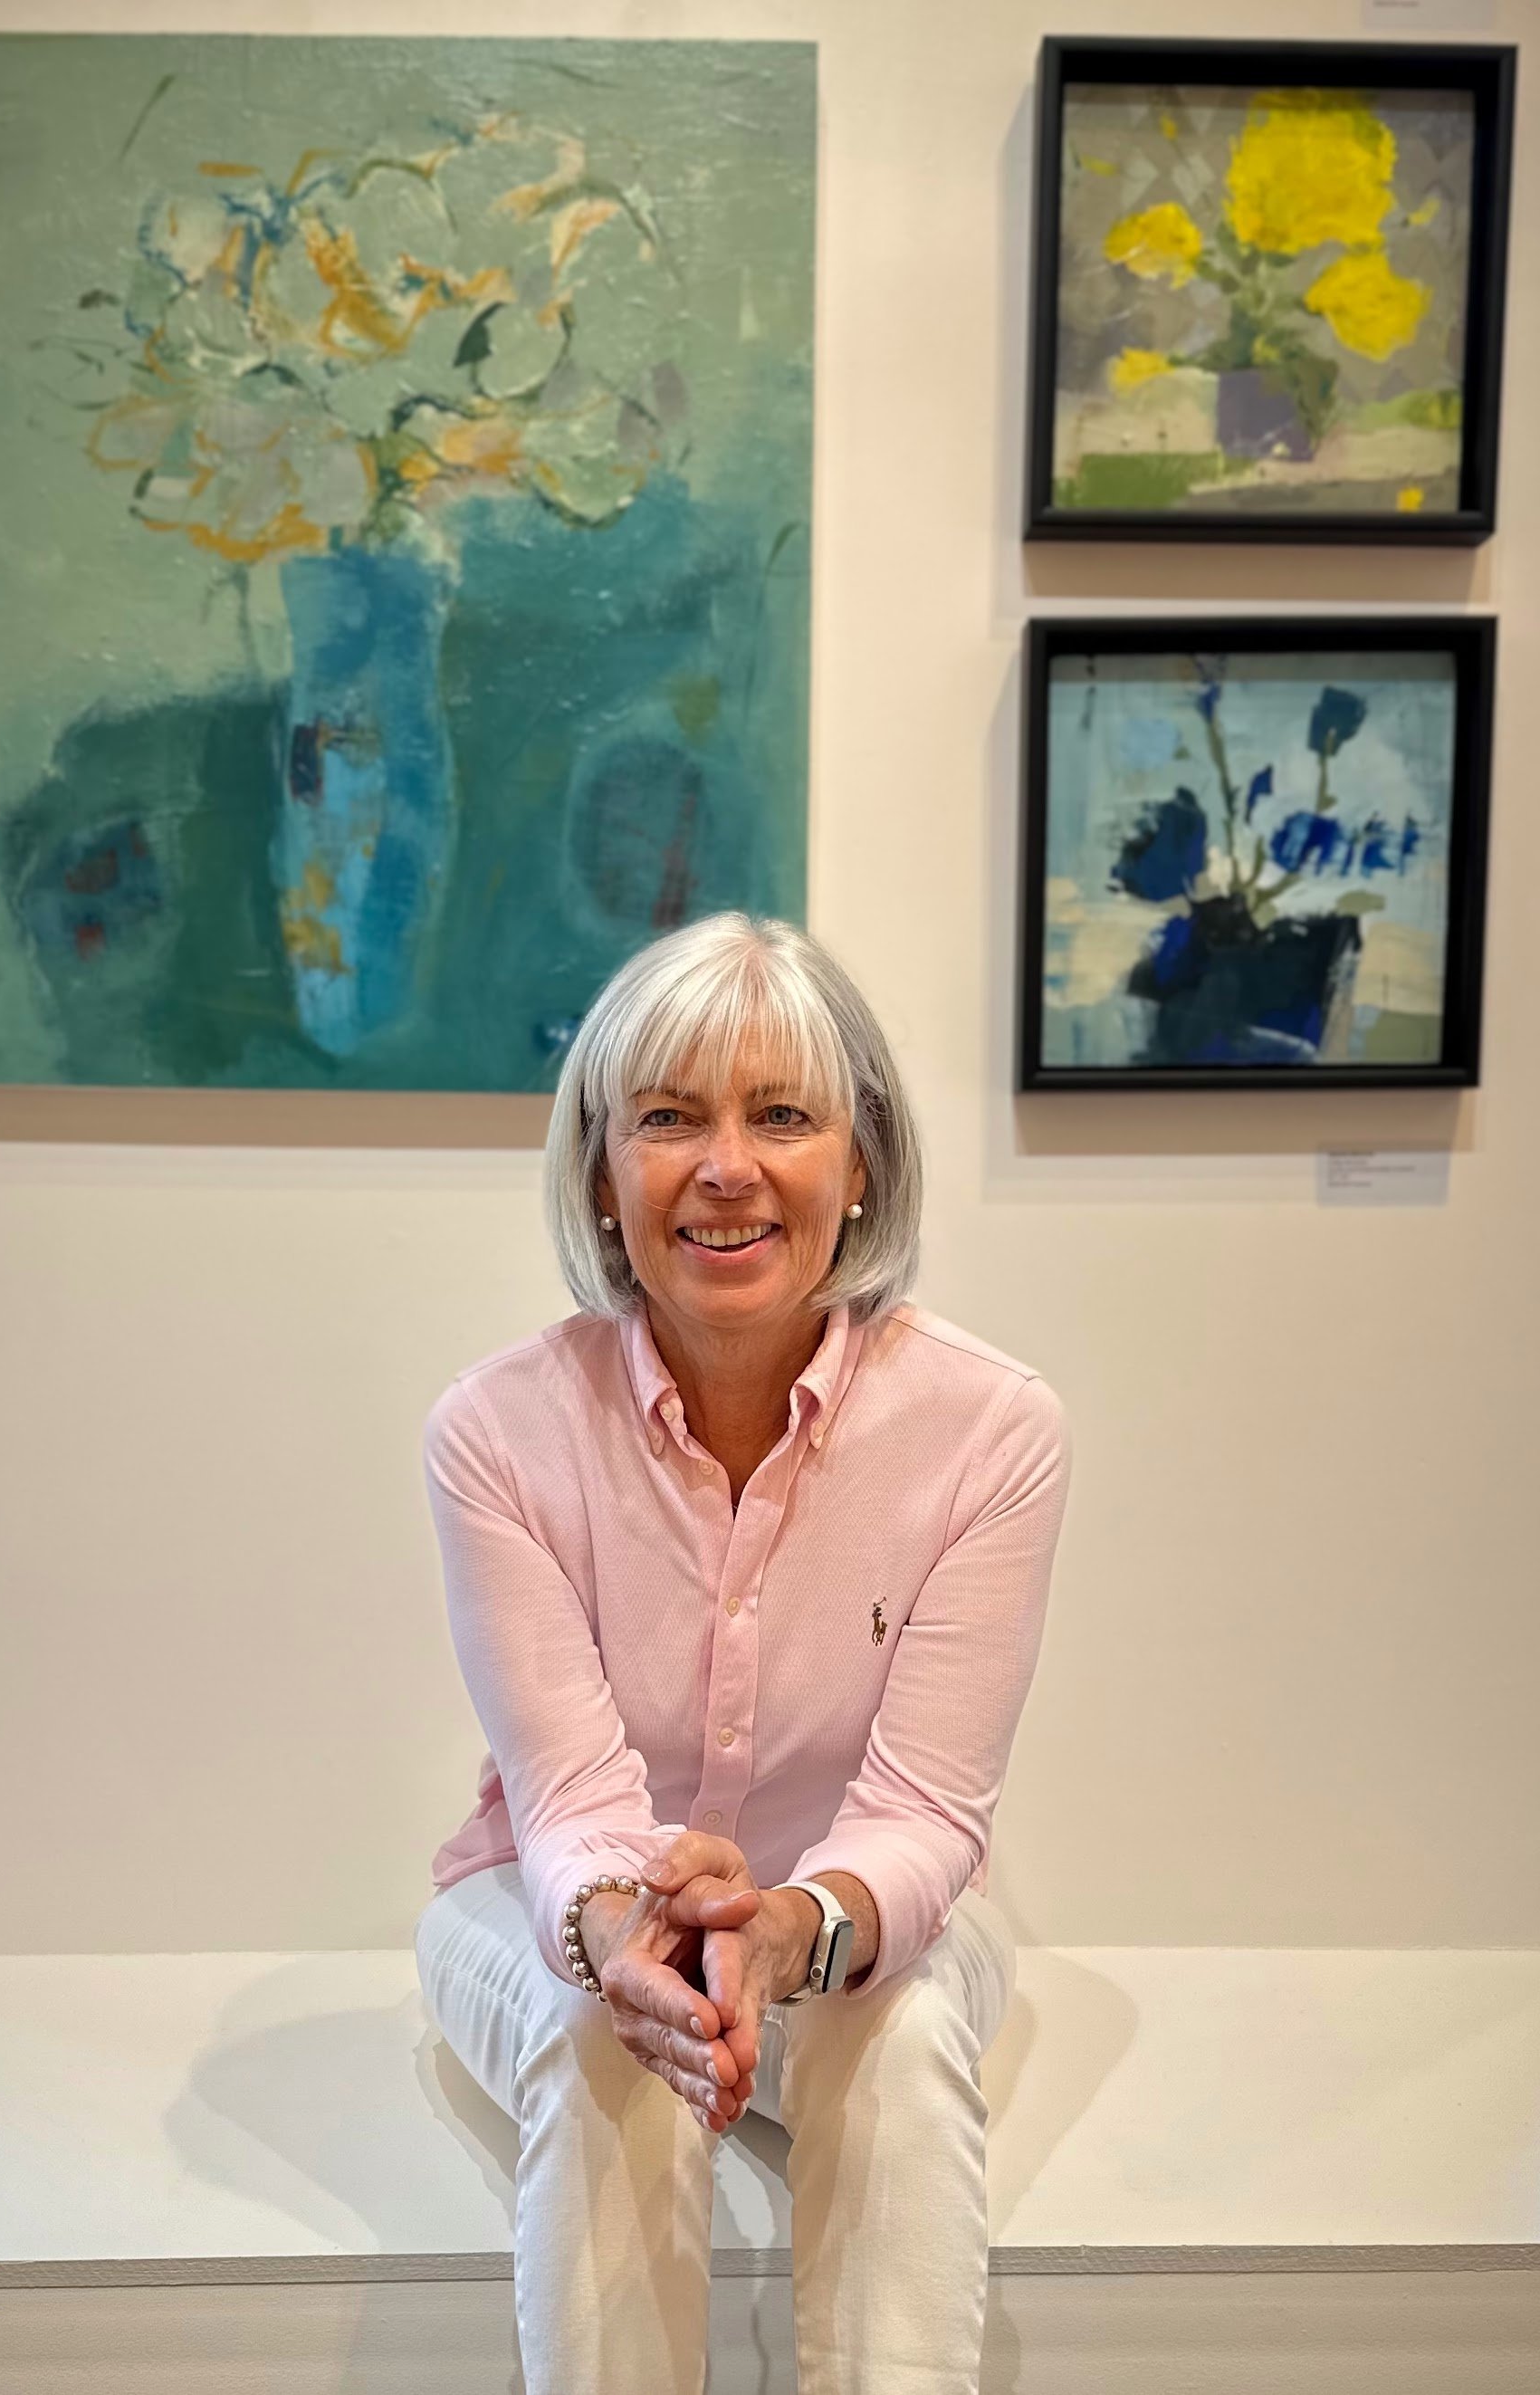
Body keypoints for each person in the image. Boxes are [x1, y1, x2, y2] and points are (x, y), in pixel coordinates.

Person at [414, 911, 1073, 2394]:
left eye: (781, 1114)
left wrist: (792, 1925)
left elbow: (920, 1816)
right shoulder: (494, 1434)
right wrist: (621, 1933)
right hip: (545, 1903)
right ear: (600, 1168)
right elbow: (570, 1804)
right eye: (667, 1118)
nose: (726, 1166)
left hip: (859, 1916)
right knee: (602, 2023)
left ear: (861, 1163)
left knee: (892, 2037)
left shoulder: (991, 1431)